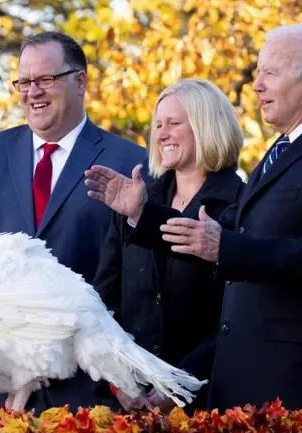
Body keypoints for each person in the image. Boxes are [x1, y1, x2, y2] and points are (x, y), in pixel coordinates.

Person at [85, 24, 302, 412]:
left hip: (297, 385)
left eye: (269, 73)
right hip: (248, 384)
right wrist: (142, 214)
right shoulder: (283, 151)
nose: (256, 85)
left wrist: (225, 246)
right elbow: (218, 239)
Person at [0, 31, 146, 411]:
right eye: (24, 82)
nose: (32, 91)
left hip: (89, 396)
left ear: (80, 81)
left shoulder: (129, 163)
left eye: (46, 80)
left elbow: (142, 280)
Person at [90, 79, 245, 412]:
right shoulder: (135, 198)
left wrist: (177, 387)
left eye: (174, 123)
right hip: (130, 405)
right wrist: (119, 382)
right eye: (158, 124)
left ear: (206, 126)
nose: (161, 134)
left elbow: (237, 318)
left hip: (207, 406)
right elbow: (102, 303)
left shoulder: (239, 205)